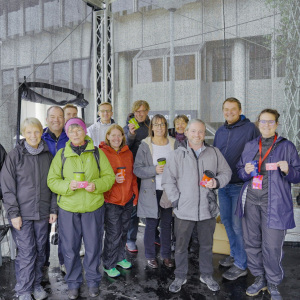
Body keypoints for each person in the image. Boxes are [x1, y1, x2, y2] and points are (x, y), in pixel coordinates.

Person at [47, 117, 115, 299]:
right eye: (71, 131)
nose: (75, 134)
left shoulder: (97, 153)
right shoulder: (62, 154)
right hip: (68, 208)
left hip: (93, 207)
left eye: (78, 130)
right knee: (70, 248)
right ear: (67, 134)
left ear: (85, 131)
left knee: (93, 247)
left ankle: (93, 282)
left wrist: (96, 185)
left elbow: (109, 177)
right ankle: (73, 283)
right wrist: (69, 186)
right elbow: (52, 181)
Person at [236, 109, 300, 300]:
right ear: (258, 124)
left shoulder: (287, 147)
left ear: (276, 124)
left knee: (271, 246)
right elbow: (240, 172)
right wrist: (245, 171)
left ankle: (273, 281)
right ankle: (259, 278)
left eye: (270, 122)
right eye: (263, 122)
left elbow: (297, 175)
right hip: (251, 200)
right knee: (252, 242)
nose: (266, 125)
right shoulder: (249, 146)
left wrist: (289, 170)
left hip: (276, 203)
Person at [162, 119, 232, 293]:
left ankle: (206, 274)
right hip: (184, 209)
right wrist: (176, 200)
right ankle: (180, 275)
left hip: (207, 210)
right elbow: (168, 180)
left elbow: (227, 172)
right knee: (181, 245)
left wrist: (216, 182)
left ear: (204, 134)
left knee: (207, 245)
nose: (197, 135)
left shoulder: (214, 153)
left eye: (200, 131)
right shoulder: (177, 154)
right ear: (186, 132)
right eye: (193, 131)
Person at [1, 118, 57, 300]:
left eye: (37, 131)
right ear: (23, 134)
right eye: (29, 132)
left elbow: (54, 185)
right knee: (27, 251)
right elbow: (7, 187)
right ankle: (23, 290)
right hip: (21, 215)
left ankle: (35, 284)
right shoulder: (14, 156)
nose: (33, 135)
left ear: (42, 132)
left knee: (41, 249)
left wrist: (53, 209)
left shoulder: (48, 155)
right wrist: (13, 214)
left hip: (42, 212)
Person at [213, 97, 260, 280]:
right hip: (223, 185)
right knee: (226, 221)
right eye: (226, 109)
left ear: (240, 111)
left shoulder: (250, 129)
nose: (229, 112)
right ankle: (234, 254)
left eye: (233, 109)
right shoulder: (220, 131)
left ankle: (241, 264)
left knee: (238, 226)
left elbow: (259, 153)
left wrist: (255, 180)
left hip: (240, 185)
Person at [134, 114, 176, 269]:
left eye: (163, 124)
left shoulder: (173, 143)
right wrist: (154, 170)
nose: (160, 127)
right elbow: (137, 169)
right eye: (156, 125)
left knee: (167, 224)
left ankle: (166, 256)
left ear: (166, 126)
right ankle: (150, 256)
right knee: (151, 224)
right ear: (151, 127)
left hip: (168, 190)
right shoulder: (145, 145)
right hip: (151, 191)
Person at [99, 124, 139, 278]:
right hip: (111, 201)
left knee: (123, 231)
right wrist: (113, 179)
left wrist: (135, 193)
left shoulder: (127, 153)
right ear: (107, 137)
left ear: (123, 137)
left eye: (119, 135)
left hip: (127, 199)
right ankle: (109, 263)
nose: (116, 138)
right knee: (113, 233)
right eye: (113, 135)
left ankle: (120, 257)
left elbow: (132, 175)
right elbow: (98, 176)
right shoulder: (102, 153)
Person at [42, 105, 69, 277]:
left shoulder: (70, 136)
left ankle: (64, 261)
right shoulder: (40, 136)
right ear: (47, 119)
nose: (56, 120)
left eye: (60, 116)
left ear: (64, 119)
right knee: (43, 230)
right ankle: (43, 264)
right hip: (43, 189)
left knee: (65, 229)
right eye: (52, 116)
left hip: (66, 188)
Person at [123, 100, 151, 253]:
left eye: (143, 111)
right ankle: (130, 239)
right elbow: (123, 148)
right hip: (132, 172)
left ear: (148, 111)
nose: (140, 114)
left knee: (150, 206)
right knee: (133, 207)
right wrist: (131, 135)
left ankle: (155, 236)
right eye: (137, 111)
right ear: (133, 112)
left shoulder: (151, 126)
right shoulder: (127, 127)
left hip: (148, 172)